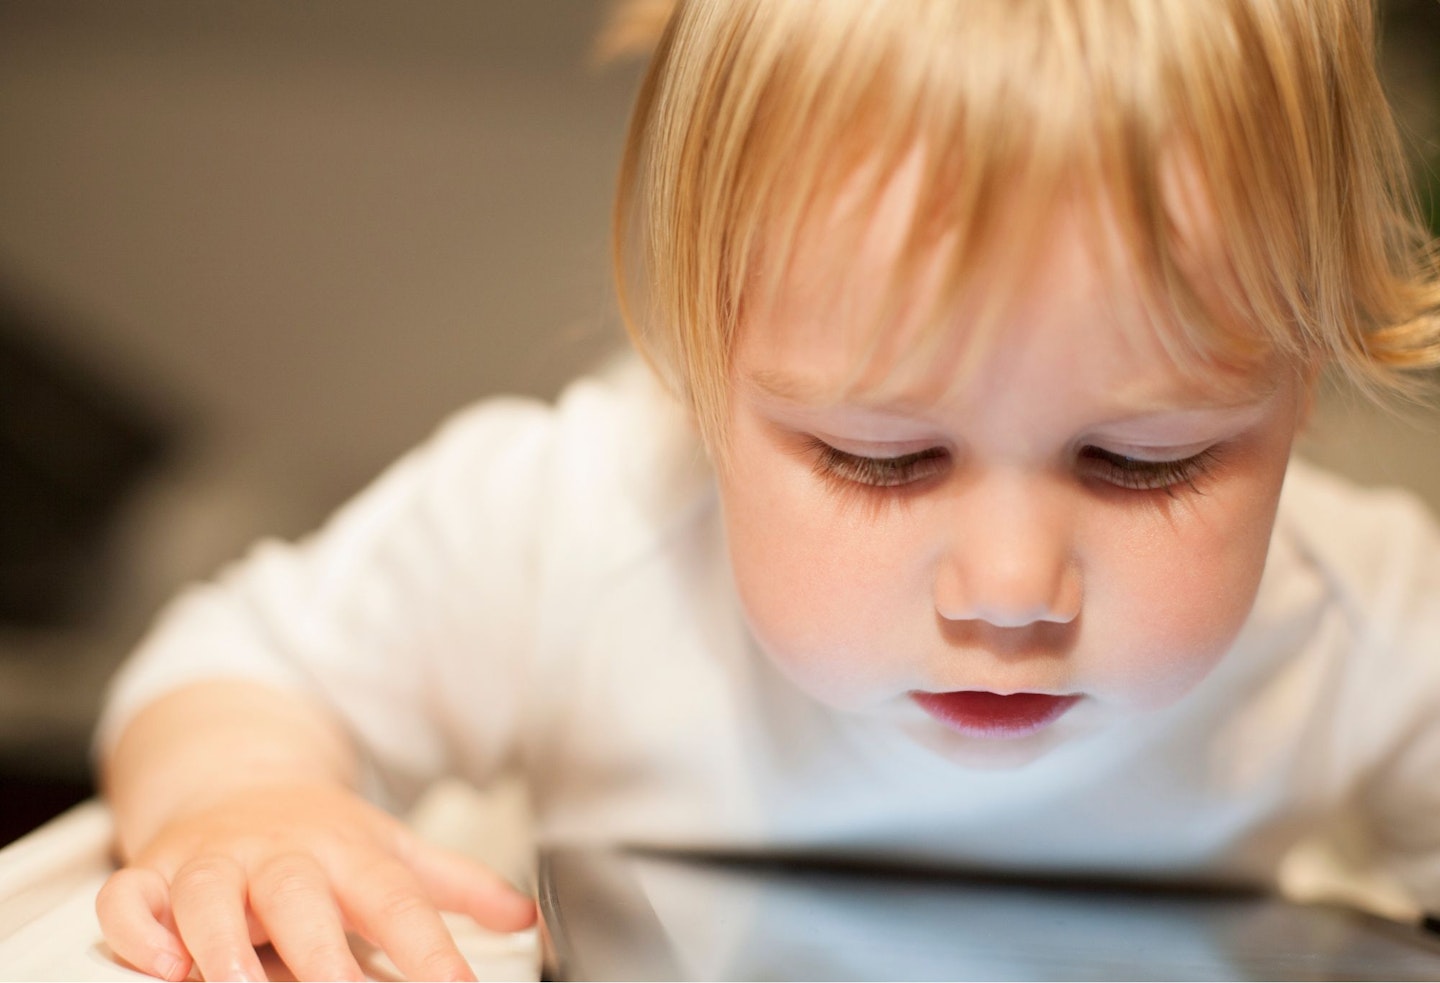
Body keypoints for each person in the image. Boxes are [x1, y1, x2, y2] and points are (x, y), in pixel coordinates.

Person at [94, 0, 1440, 979]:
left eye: (1146, 463)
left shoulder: (1361, 611)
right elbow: (237, 661)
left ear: (1299, 385)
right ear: (697, 367)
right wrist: (245, 800)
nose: (1014, 590)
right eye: (882, 455)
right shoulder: (574, 521)